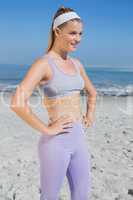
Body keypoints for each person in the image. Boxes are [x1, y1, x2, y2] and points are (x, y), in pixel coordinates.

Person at [10, 6, 97, 200]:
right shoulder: (43, 64)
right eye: (73, 33)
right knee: (50, 197)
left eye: (81, 33)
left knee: (82, 195)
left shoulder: (77, 64)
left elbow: (92, 93)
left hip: (79, 140)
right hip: (56, 143)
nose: (78, 39)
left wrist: (89, 115)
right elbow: (17, 102)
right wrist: (47, 130)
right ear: (57, 31)